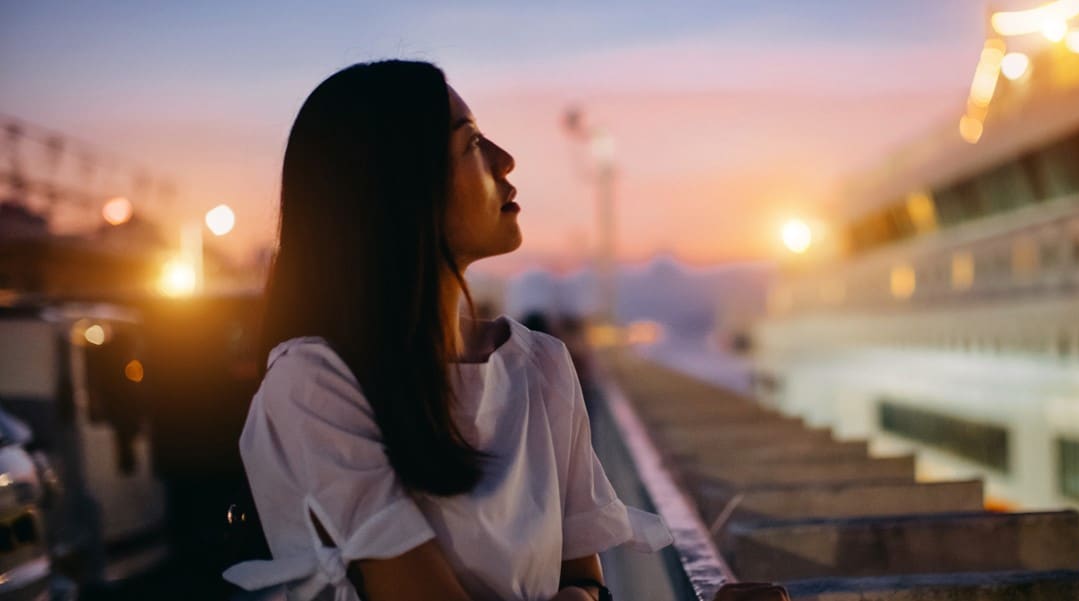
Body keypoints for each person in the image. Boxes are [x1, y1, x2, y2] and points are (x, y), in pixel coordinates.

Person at [222, 60, 787, 601]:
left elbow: (583, 577)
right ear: (399, 189)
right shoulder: (316, 384)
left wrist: (580, 595)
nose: (505, 159)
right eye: (470, 143)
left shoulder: (538, 364)